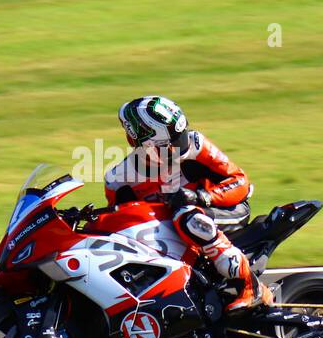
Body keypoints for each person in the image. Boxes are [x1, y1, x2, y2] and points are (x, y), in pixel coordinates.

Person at [105, 96, 273, 311]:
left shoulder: (195, 145)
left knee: (186, 215)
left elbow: (239, 181)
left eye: (180, 136)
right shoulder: (119, 179)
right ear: (139, 143)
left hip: (225, 210)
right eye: (171, 143)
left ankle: (250, 286)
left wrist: (202, 197)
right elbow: (121, 222)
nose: (181, 145)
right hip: (171, 235)